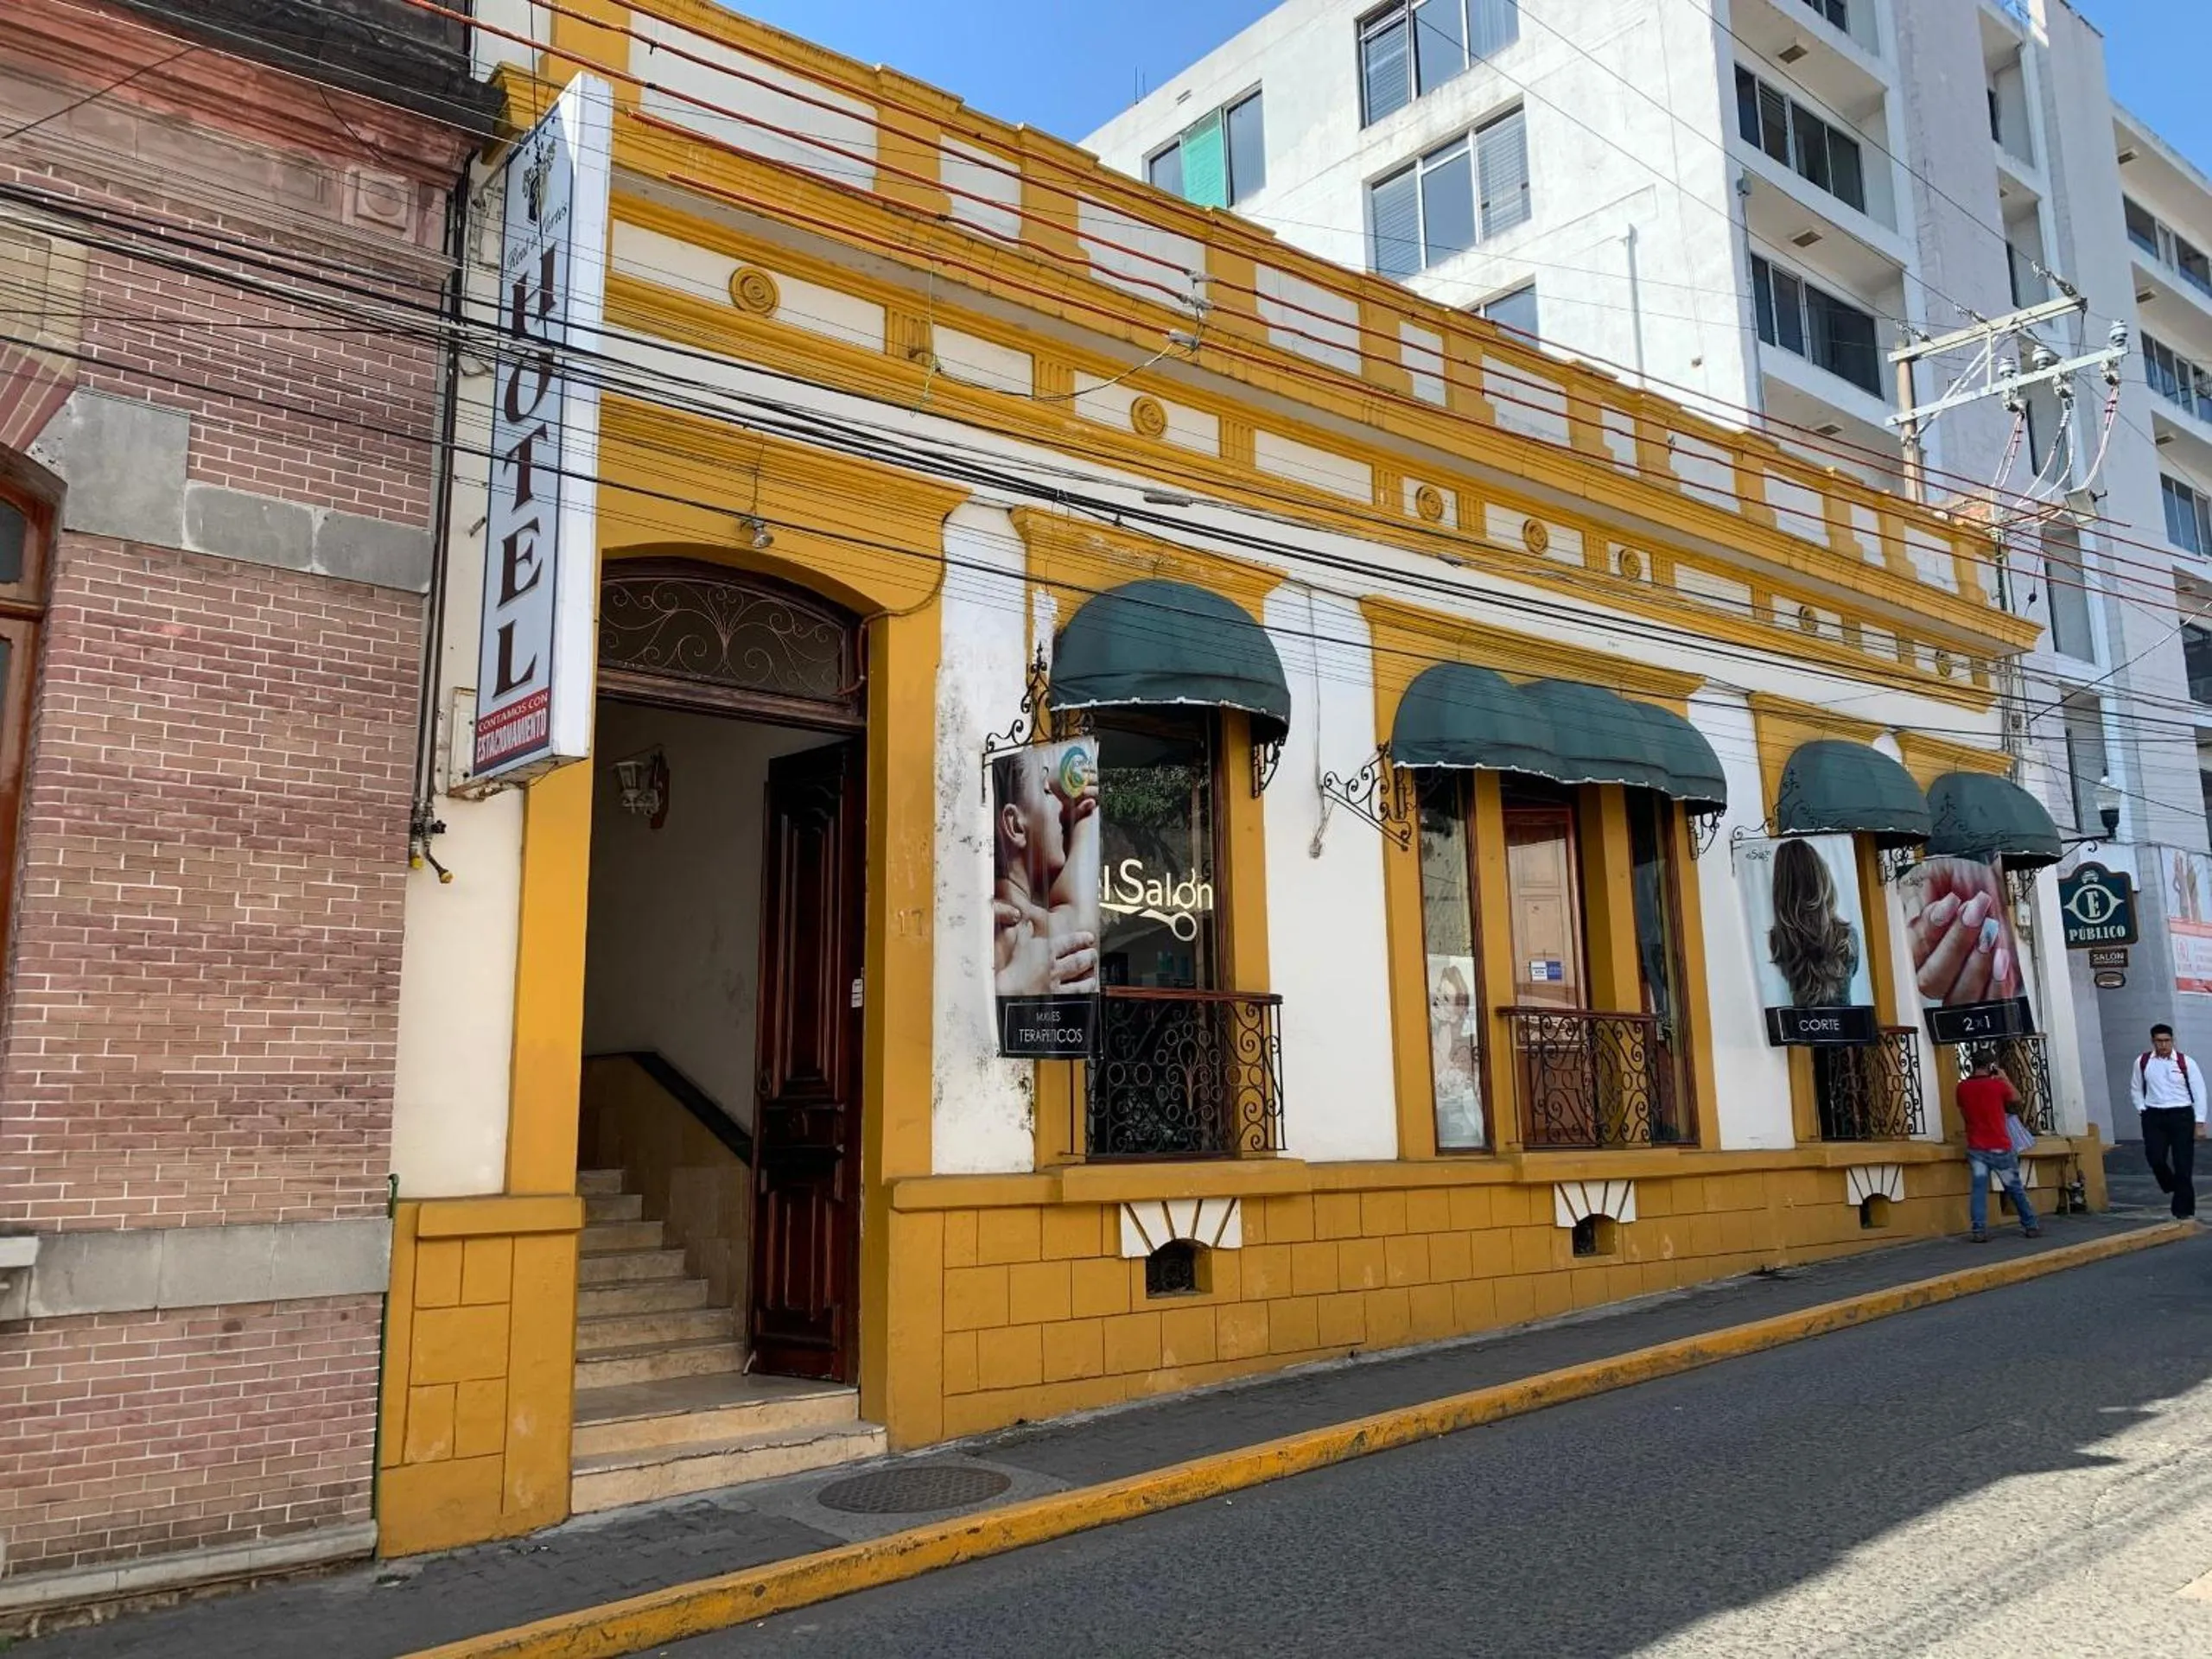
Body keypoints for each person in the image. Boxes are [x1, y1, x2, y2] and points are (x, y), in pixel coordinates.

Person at [991, 743, 1100, 998]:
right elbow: (1081, 922)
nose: (1062, 808)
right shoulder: (1013, 928)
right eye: (1046, 791)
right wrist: (1086, 806)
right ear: (1015, 825)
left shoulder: (1006, 914)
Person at [1956, 1050, 2041, 1243]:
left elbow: (1964, 1114)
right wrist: (2005, 1078)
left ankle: (1979, 1229)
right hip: (1999, 1146)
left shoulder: (1962, 1088)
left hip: (1976, 1147)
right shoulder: (1997, 1086)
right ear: (1991, 1065)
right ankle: (2030, 1225)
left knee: (1978, 1189)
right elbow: (2017, 1099)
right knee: (2014, 1188)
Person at [2130, 1022, 2208, 1221]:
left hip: (2181, 1115)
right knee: (2155, 1157)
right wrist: (2142, 1109)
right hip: (2154, 1115)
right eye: (2159, 1041)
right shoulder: (2143, 1061)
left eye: (2167, 1041)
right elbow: (2136, 1087)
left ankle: (2183, 1209)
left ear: (2172, 1041)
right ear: (2153, 1042)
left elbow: (2200, 1093)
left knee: (2183, 1164)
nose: (2163, 1045)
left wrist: (2199, 1123)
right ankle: (2171, 1185)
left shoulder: (2185, 1062)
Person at [1768, 838, 1859, 1007]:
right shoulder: (1846, 936)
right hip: (1846, 1027)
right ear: (1821, 878)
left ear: (1781, 888)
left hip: (1801, 1028)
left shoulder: (1778, 940)